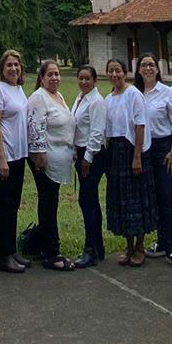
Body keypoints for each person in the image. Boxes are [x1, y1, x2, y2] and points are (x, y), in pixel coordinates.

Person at [134, 53, 172, 269]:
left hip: (165, 147)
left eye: (151, 65)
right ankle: (162, 241)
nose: (147, 68)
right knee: (152, 197)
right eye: (144, 65)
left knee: (166, 196)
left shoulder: (167, 92)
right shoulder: (134, 94)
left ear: (157, 69)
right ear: (138, 70)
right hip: (143, 149)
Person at [103, 57, 154, 265]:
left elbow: (140, 125)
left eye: (118, 70)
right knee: (122, 200)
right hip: (115, 151)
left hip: (132, 149)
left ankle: (140, 246)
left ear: (125, 73)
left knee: (136, 198)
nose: (114, 75)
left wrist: (137, 156)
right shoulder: (109, 98)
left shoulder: (133, 94)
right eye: (111, 71)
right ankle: (129, 245)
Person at [26, 59, 76, 269]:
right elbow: (35, 127)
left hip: (59, 156)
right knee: (48, 203)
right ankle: (51, 252)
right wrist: (39, 154)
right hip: (44, 159)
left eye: (57, 74)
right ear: (42, 77)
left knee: (51, 202)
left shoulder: (58, 96)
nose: (55, 78)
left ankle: (42, 244)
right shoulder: (39, 97)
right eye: (50, 75)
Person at [0, 49, 31, 274]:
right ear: (2, 69)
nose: (13, 68)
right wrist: (1, 157)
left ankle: (11, 250)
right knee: (3, 205)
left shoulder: (19, 89)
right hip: (5, 157)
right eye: (9, 65)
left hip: (19, 155)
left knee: (13, 204)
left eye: (16, 65)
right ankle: (2, 256)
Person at [71, 64, 107, 268]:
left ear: (95, 81)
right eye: (81, 78)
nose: (84, 82)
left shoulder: (96, 102)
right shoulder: (80, 98)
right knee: (89, 200)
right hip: (81, 152)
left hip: (91, 155)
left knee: (87, 201)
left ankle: (91, 248)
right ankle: (97, 246)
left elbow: (96, 132)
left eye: (87, 79)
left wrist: (87, 159)